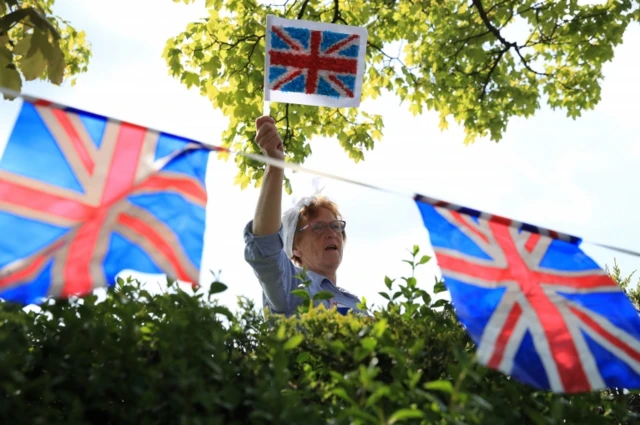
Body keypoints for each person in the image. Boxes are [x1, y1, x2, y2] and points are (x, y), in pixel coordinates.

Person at [243, 116, 367, 317]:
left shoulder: (354, 303)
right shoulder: (290, 284)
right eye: (318, 227)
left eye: (336, 226)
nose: (331, 234)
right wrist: (274, 166)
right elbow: (265, 248)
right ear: (294, 249)